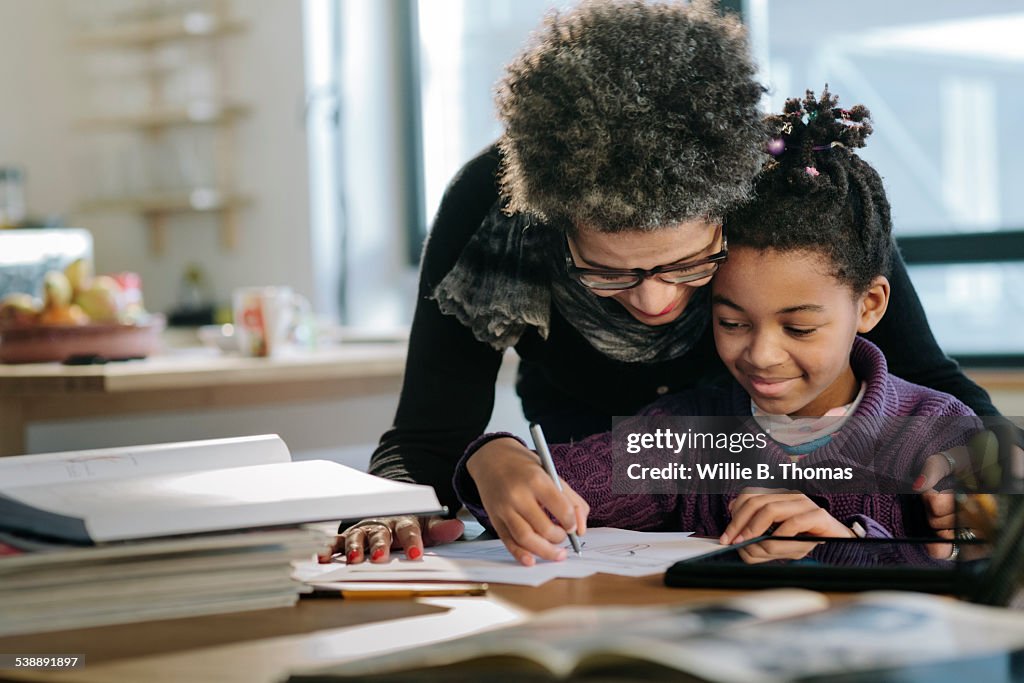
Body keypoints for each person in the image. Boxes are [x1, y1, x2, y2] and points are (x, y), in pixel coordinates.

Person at [331, 0, 996, 566]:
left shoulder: (790, 190)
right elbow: (428, 440)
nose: (655, 301)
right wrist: (404, 502)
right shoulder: (496, 210)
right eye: (607, 271)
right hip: (603, 485)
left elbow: (929, 382)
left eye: (689, 264)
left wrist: (990, 473)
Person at [454, 88, 979, 564]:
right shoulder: (687, 436)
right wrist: (494, 460)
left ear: (868, 306)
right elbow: (550, 486)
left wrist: (845, 548)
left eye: (798, 329)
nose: (762, 355)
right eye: (731, 322)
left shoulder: (938, 433)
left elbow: (982, 570)